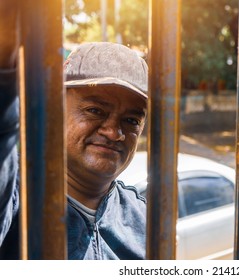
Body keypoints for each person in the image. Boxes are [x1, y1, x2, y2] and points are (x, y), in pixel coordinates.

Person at [0, 2, 148, 260]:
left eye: (131, 121)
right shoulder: (17, 198)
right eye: (95, 110)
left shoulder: (143, 216)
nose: (114, 133)